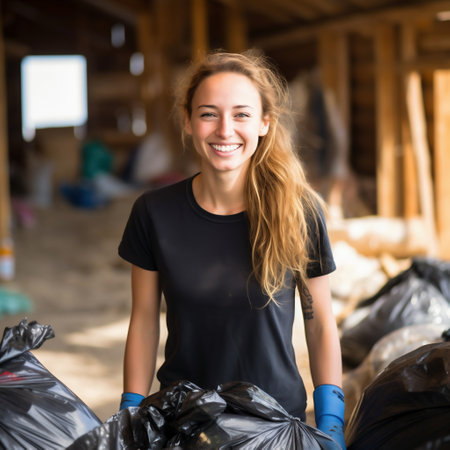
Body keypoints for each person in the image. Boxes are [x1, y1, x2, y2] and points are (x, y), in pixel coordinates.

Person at [118, 50, 346, 449]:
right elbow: (144, 321)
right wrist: (131, 412)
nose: (225, 129)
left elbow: (320, 321)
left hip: (276, 424)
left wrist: (331, 418)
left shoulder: (299, 211)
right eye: (209, 113)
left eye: (241, 114)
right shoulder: (153, 213)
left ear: (264, 123)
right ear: (188, 122)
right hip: (184, 423)